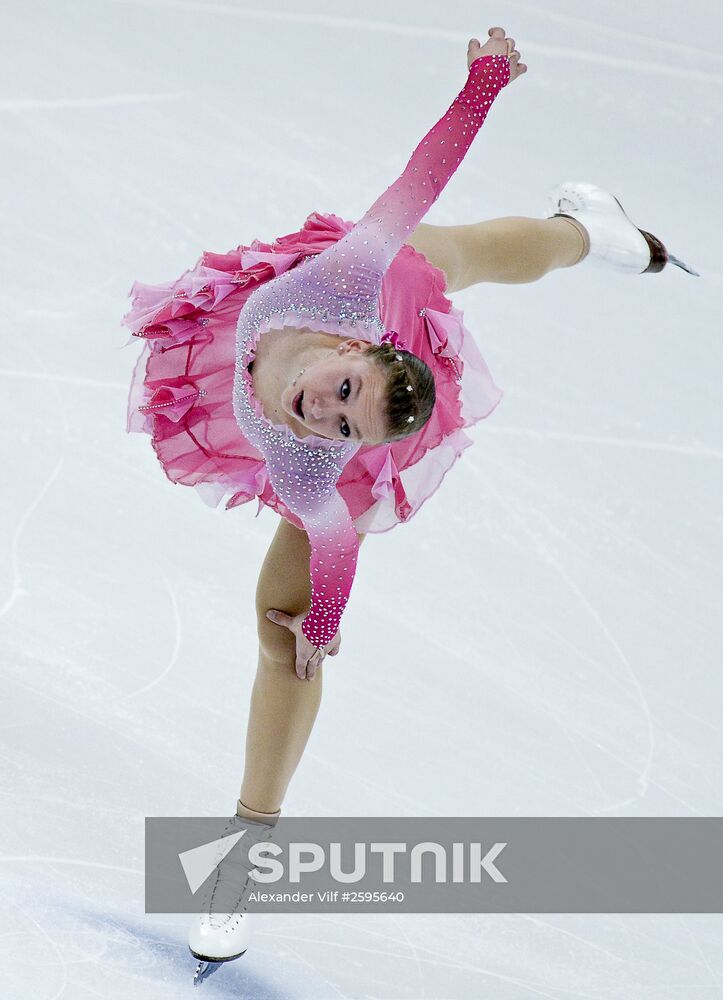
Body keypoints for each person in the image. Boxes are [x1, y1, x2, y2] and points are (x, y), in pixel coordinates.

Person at [120, 27, 697, 983]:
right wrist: (482, 81)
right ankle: (589, 231)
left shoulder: (320, 459)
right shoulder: (344, 278)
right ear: (353, 351)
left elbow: (338, 536)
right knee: (456, 248)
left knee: (283, 629)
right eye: (341, 395)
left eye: (343, 425)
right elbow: (423, 173)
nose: (323, 411)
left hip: (371, 411)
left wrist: (328, 618)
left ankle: (245, 854)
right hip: (368, 297)